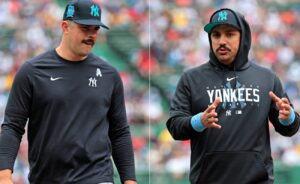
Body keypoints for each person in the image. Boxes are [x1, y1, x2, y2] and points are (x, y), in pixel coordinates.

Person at [0, 0, 137, 183]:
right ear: (65, 26)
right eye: (85, 28)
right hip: (47, 178)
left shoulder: (109, 74)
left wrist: (129, 180)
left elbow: (119, 132)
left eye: (95, 29)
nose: (91, 35)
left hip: (96, 177)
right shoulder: (32, 71)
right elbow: (12, 126)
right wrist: (4, 174)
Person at [166, 8, 300, 184]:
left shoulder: (266, 78)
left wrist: (288, 117)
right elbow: (175, 127)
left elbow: (289, 128)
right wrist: (200, 121)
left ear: (242, 36)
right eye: (216, 35)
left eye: (230, 34)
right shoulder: (191, 79)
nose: (222, 41)